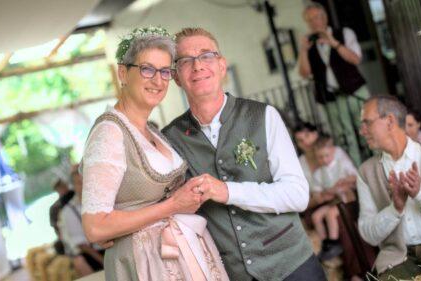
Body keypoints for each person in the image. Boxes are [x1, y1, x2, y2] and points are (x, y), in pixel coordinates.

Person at [163, 27, 325, 281]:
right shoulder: (170, 139)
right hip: (232, 273)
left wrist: (227, 192)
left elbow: (297, 195)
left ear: (221, 65)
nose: (197, 66)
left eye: (206, 56)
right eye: (185, 60)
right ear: (175, 76)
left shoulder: (263, 116)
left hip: (292, 266)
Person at [80, 27, 228, 281]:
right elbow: (95, 227)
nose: (158, 81)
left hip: (181, 254)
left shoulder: (151, 131)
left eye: (165, 72)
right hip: (146, 265)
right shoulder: (109, 132)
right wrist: (173, 205)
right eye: (147, 69)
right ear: (123, 73)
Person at [357, 95, 421, 280]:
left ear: (390, 121)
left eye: (366, 123)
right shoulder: (365, 172)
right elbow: (368, 234)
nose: (362, 131)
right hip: (398, 259)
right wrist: (395, 208)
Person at [298, 2, 369, 165]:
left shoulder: (344, 33)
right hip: (331, 98)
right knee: (344, 138)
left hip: (355, 91)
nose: (314, 22)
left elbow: (356, 59)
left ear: (325, 17)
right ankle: (355, 171)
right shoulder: (308, 44)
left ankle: (377, 166)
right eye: (310, 20)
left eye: (317, 17)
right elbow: (304, 73)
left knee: (366, 130)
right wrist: (303, 50)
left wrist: (334, 43)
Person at [310, 136, 357, 261]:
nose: (324, 160)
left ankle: (334, 242)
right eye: (320, 157)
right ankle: (326, 243)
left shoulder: (342, 164)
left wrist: (345, 180)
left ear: (333, 152)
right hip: (333, 201)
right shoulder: (318, 173)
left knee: (331, 213)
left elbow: (355, 176)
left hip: (347, 199)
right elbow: (317, 192)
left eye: (327, 155)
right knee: (316, 216)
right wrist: (325, 193)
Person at [58, 166, 104, 277]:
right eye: (79, 183)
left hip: (111, 246)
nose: (84, 186)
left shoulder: (102, 198)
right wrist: (103, 261)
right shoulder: (69, 211)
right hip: (93, 253)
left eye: (86, 181)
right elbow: (82, 245)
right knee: (79, 262)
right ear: (73, 186)